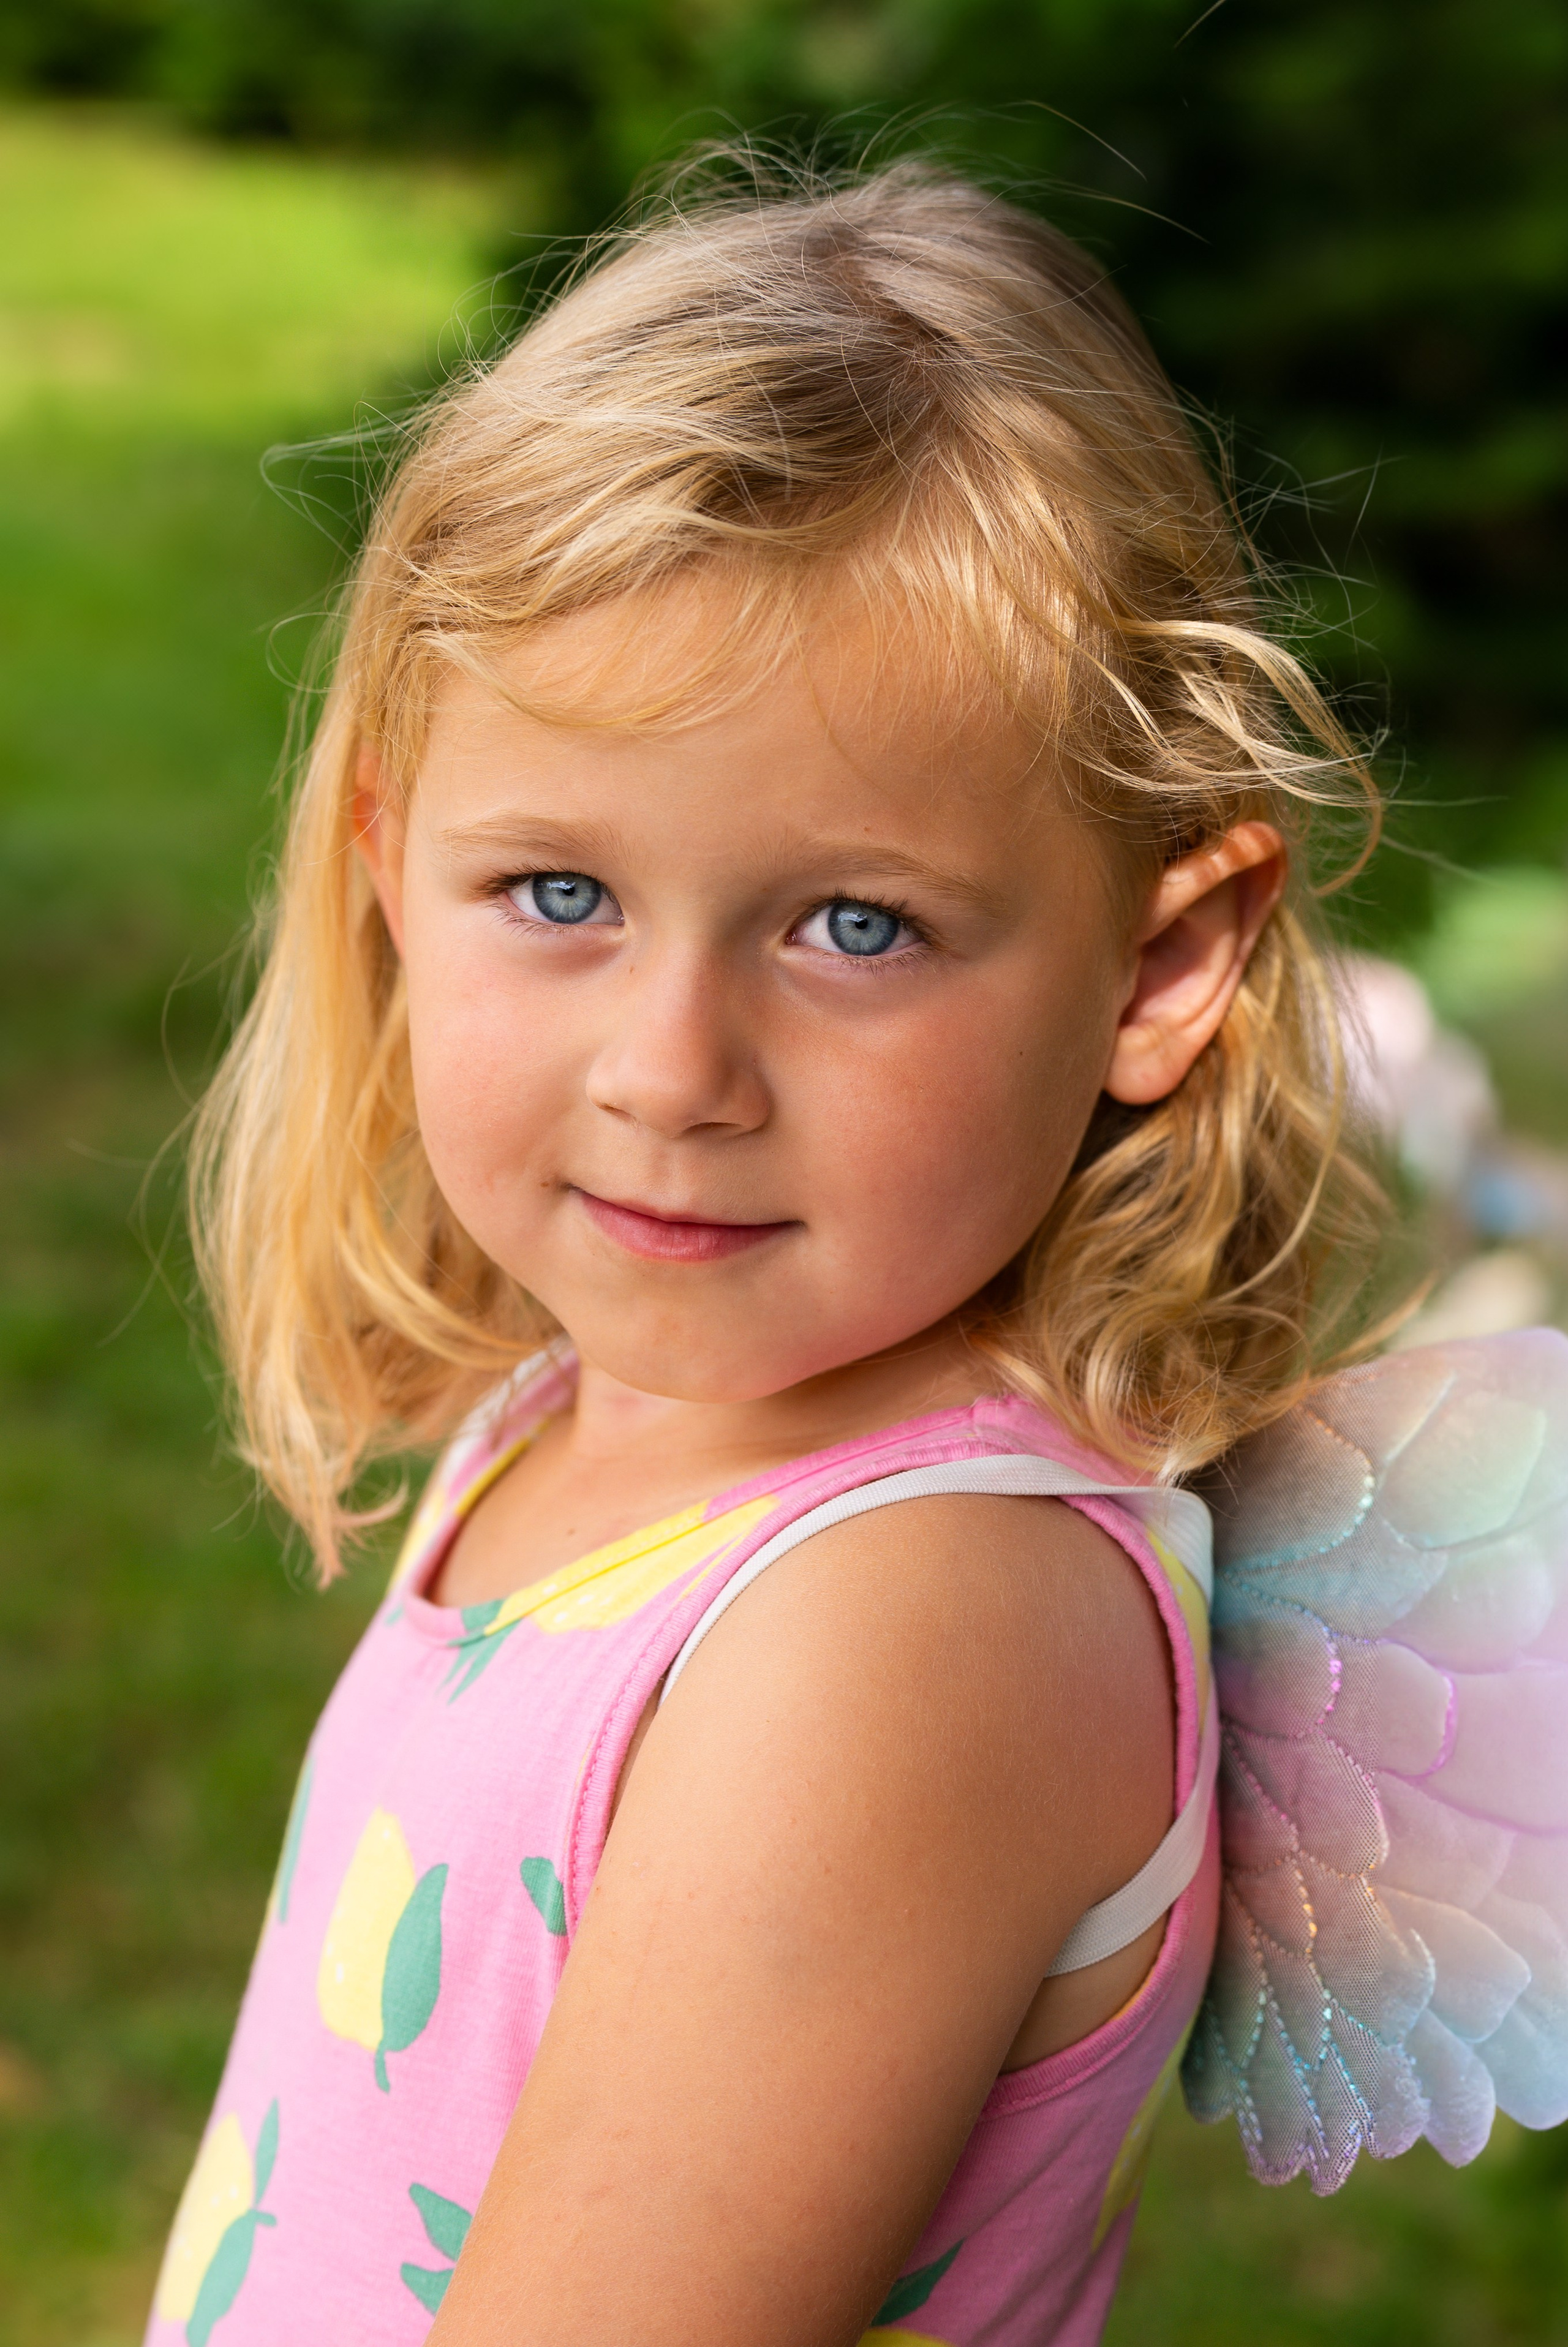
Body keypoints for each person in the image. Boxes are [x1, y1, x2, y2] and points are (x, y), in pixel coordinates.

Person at [146, 161, 1395, 2346]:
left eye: (854, 927)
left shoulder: (907, 1625)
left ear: (1159, 958)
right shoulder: (600, 1416)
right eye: (556, 894)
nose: (670, 1070)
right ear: (386, 857)